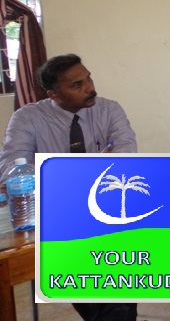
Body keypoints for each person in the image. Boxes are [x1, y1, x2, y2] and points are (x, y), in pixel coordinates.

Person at [0, 54, 137, 321]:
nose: (90, 88)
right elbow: (10, 167)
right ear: (54, 94)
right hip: (56, 213)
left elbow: (126, 150)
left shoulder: (109, 109)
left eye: (88, 78)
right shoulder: (27, 118)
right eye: (77, 85)